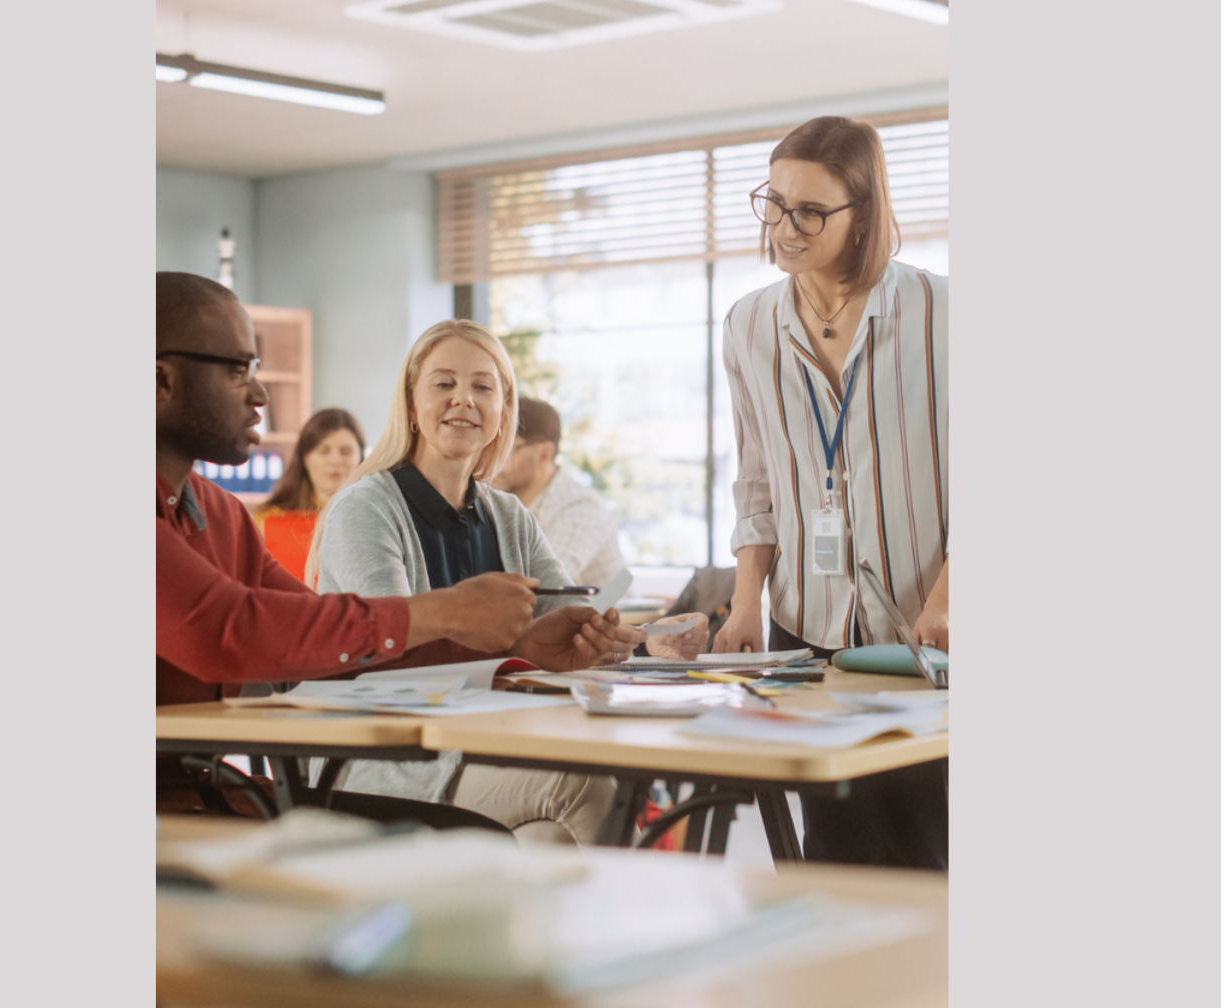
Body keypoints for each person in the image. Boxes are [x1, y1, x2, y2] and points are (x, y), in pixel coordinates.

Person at [309, 319, 708, 845]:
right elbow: (392, 658)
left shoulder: (509, 516)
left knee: (552, 839)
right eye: (444, 384)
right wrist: (521, 651)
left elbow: (569, 636)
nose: (464, 401)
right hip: (388, 759)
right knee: (587, 786)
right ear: (411, 405)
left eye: (482, 387)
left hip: (488, 744)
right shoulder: (365, 508)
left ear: (503, 412)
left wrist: (648, 642)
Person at [156, 273, 628, 713]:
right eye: (238, 370)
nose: (260, 393)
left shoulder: (223, 515)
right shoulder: (366, 506)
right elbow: (226, 630)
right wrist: (449, 612)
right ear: (160, 381)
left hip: (220, 791)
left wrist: (526, 647)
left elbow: (317, 630)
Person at [710, 117, 949, 869]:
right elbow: (756, 477)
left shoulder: (946, 314)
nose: (784, 228)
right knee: (830, 861)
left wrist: (949, 599)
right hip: (805, 628)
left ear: (864, 216)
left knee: (927, 857)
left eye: (810, 212)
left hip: (928, 631)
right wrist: (746, 601)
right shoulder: (749, 325)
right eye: (773, 202)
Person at [491, 397, 628, 590]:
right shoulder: (502, 503)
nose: (494, 460)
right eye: (492, 446)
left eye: (509, 449)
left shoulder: (581, 508)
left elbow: (540, 586)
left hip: (615, 617)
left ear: (545, 454)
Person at [252, 408, 366, 585]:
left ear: (360, 458)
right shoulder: (267, 520)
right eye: (324, 450)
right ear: (306, 458)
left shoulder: (374, 518)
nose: (336, 460)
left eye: (345, 452)